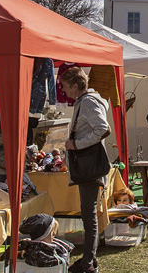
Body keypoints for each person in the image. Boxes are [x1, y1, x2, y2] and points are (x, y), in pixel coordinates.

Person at [62, 67, 108, 273]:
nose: (63, 91)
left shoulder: (88, 101)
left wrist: (77, 144)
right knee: (88, 215)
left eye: (65, 86)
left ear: (75, 85)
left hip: (89, 166)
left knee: (88, 216)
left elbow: (102, 128)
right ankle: (90, 259)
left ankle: (88, 263)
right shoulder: (87, 100)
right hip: (88, 165)